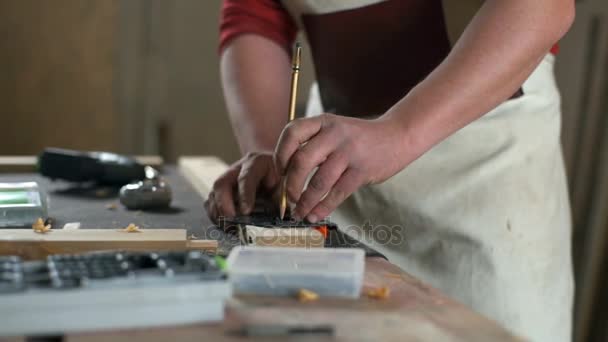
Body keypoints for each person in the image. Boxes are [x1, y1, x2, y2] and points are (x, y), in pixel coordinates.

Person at [206, 1, 575, 340]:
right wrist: (275, 154)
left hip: (489, 178)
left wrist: (400, 132)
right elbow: (256, 14)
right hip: (340, 183)